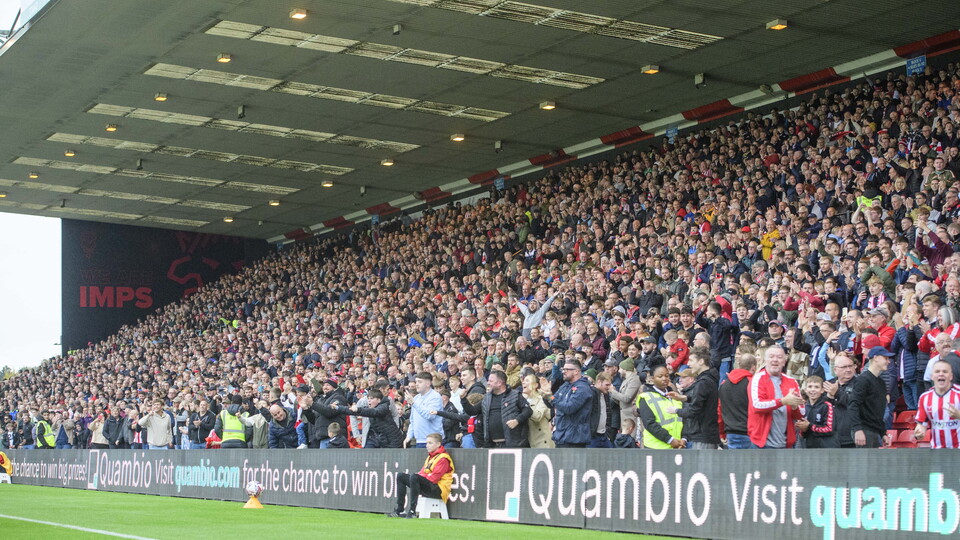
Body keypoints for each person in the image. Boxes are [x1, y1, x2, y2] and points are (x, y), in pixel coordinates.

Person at [747, 346, 805, 449]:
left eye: (779, 357)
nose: (775, 360)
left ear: (784, 361)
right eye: (771, 356)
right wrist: (783, 401)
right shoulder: (757, 378)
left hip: (786, 444)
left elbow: (802, 413)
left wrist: (794, 407)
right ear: (765, 360)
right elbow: (757, 405)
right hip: (761, 444)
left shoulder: (792, 381)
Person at [387, 433, 454, 519]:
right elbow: (423, 473)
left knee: (415, 477)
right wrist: (423, 476)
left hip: (439, 490)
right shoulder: (431, 457)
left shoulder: (443, 458)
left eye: (430, 443)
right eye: (426, 443)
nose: (427, 446)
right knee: (401, 476)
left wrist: (422, 476)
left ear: (438, 444)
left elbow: (434, 478)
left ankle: (412, 510)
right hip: (430, 485)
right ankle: (400, 510)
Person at [667, 347, 720, 449]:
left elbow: (694, 410)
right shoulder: (708, 379)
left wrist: (676, 410)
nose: (688, 364)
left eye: (691, 360)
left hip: (703, 435)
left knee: (703, 464)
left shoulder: (703, 382)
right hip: (707, 433)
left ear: (701, 361)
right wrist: (684, 398)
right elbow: (704, 399)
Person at [849, 346, 894, 448]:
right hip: (864, 431)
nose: (889, 362)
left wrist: (883, 433)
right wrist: (858, 429)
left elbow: (877, 412)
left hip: (874, 432)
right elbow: (853, 405)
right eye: (886, 358)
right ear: (876, 358)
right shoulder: (863, 380)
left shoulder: (881, 383)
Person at [636, 364, 685, 449]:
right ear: (652, 378)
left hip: (677, 445)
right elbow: (650, 424)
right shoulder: (646, 397)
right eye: (660, 376)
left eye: (667, 376)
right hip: (656, 447)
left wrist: (684, 439)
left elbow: (684, 418)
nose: (664, 379)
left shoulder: (675, 396)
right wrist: (670, 440)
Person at [915, 360, 960, 448]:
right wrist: (919, 432)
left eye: (945, 371)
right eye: (937, 371)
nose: (941, 374)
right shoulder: (925, 397)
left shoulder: (958, 394)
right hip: (937, 451)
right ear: (932, 376)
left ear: (951, 376)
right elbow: (921, 425)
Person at [481, 370, 532, 448]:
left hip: (513, 443)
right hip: (492, 445)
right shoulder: (486, 398)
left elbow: (528, 410)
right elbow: (472, 411)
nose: (488, 383)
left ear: (499, 383)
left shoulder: (515, 395)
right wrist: (463, 399)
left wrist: (517, 420)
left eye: (491, 381)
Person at [549, 358, 593, 448]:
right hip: (561, 435)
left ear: (577, 371)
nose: (563, 372)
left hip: (575, 438)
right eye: (563, 369)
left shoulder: (583, 388)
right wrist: (547, 395)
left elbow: (569, 408)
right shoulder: (565, 385)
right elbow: (553, 400)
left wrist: (550, 397)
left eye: (567, 369)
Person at [718, 354, 757, 449]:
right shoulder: (753, 383)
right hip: (750, 433)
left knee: (734, 463)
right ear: (753, 367)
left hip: (731, 433)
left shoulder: (724, 384)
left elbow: (719, 411)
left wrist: (722, 433)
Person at [823, 351, 858, 448]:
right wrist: (829, 397)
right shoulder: (829, 384)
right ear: (835, 370)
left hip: (851, 437)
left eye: (850, 366)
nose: (848, 370)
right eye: (844, 367)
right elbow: (822, 407)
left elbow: (854, 403)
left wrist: (837, 393)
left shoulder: (860, 384)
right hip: (830, 438)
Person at [300, 379, 348, 448]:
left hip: (336, 438)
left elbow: (329, 411)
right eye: (324, 385)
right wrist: (306, 409)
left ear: (334, 387)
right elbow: (314, 420)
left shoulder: (339, 397)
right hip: (322, 438)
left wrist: (312, 403)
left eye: (328, 385)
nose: (325, 387)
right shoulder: (320, 400)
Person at [796, 376, 838, 448]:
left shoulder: (827, 406)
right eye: (810, 386)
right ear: (805, 389)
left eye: (816, 387)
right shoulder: (804, 407)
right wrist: (803, 429)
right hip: (810, 447)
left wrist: (809, 426)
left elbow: (829, 429)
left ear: (822, 390)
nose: (813, 390)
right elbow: (803, 434)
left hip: (827, 448)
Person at [405, 372, 444, 448]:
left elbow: (430, 415)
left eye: (420, 382)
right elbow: (412, 421)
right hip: (419, 440)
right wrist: (408, 436)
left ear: (428, 383)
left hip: (433, 441)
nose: (417, 384)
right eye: (416, 382)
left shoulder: (435, 397)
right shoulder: (416, 398)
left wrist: (414, 403)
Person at [520, 373, 553, 449]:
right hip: (524, 441)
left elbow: (537, 417)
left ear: (535, 385)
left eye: (527, 380)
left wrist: (525, 405)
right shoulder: (520, 398)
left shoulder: (541, 399)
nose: (523, 382)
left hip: (541, 442)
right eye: (523, 381)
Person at [608, 358, 641, 433]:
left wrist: (613, 391)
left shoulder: (634, 380)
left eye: (620, 368)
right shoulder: (626, 379)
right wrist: (612, 392)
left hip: (631, 417)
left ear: (625, 369)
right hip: (625, 417)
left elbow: (627, 398)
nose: (619, 371)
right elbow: (621, 400)